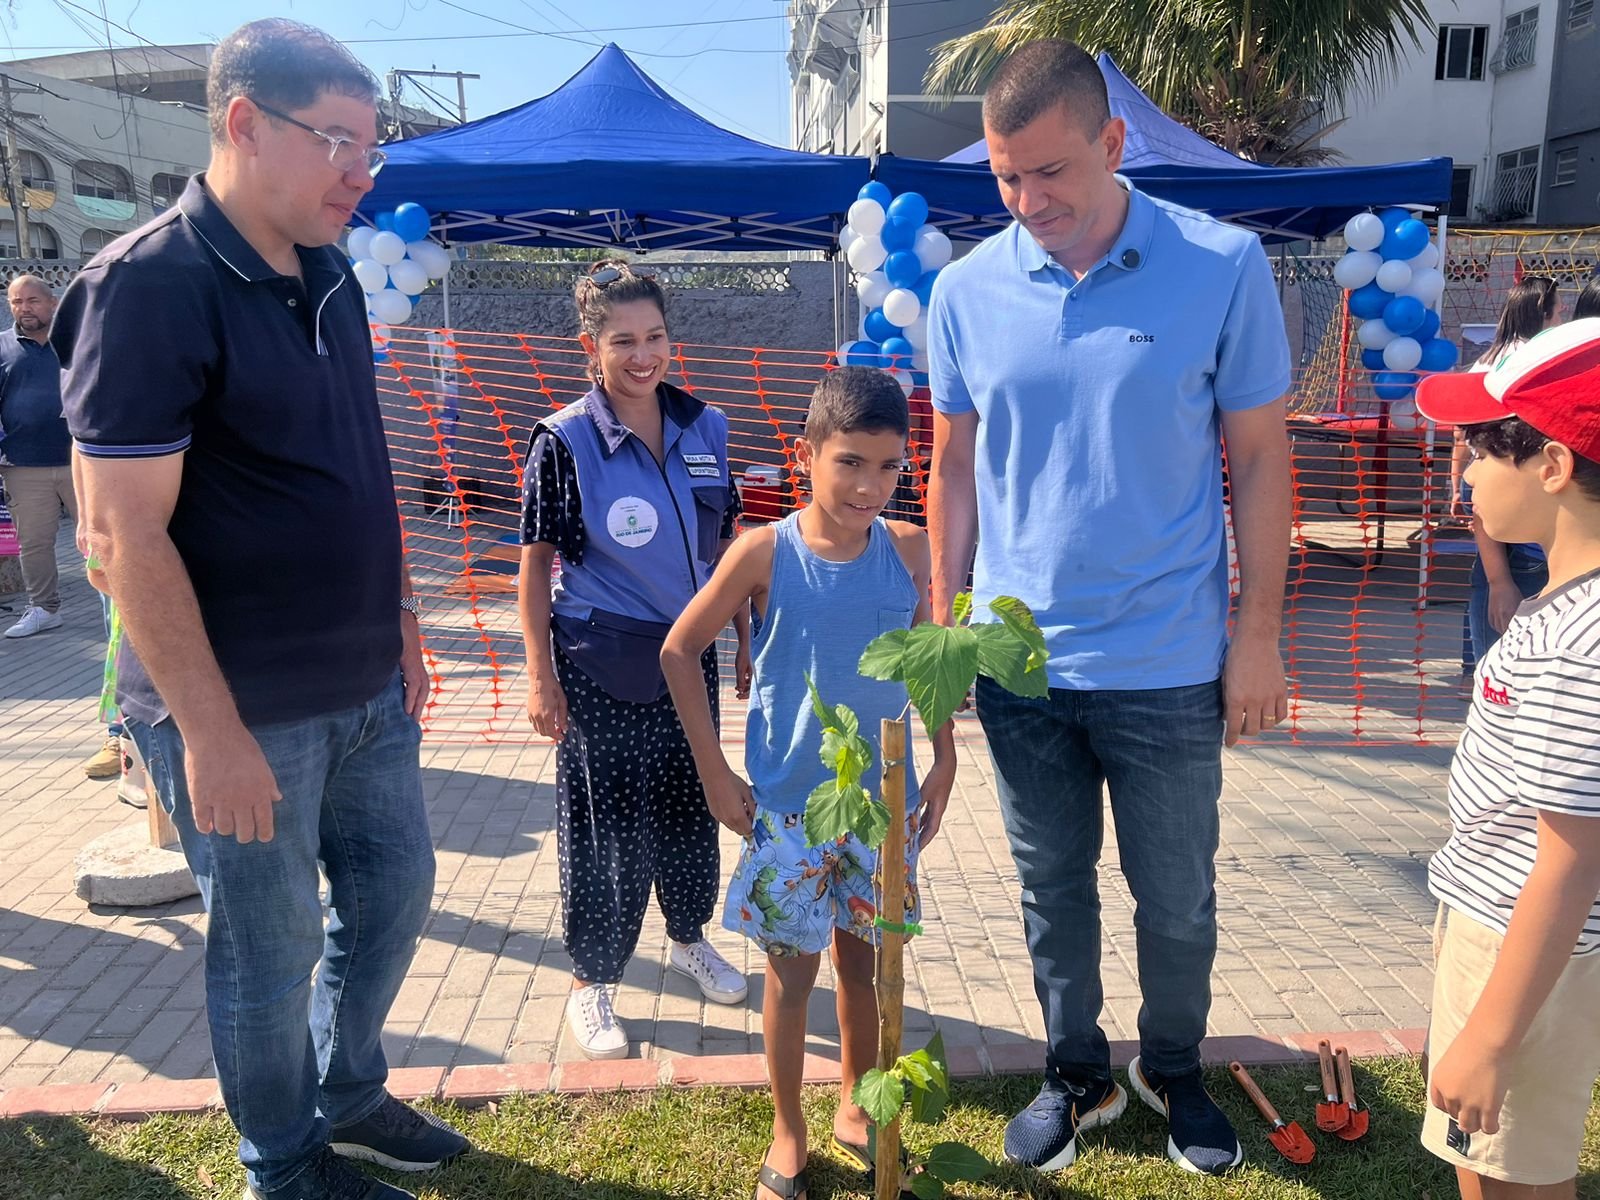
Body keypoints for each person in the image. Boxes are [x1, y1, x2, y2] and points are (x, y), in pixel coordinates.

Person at [52, 20, 466, 1200]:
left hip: (364, 690)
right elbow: (119, 536)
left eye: (371, 153)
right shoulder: (146, 288)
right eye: (340, 143)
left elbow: (351, 469)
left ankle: (350, 1093)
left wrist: (397, 622)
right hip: (241, 714)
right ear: (242, 124)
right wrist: (211, 732)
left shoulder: (330, 272)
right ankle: (282, 1163)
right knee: (267, 952)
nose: (360, 175)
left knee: (392, 900)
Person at [926, 40, 1292, 1176]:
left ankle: (1170, 1070)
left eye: (1048, 172)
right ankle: (1075, 1072)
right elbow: (949, 471)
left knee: (1175, 899)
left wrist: (1260, 639)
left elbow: (1262, 463)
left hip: (1170, 663)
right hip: (1018, 669)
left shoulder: (1220, 265)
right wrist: (946, 638)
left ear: (1114, 144)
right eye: (1004, 178)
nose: (1027, 201)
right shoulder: (963, 291)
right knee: (1049, 890)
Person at [660, 366, 956, 1200]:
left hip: (881, 810)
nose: (870, 485)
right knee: (792, 980)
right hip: (790, 809)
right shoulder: (765, 550)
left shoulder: (906, 550)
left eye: (890, 467)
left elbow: (929, 661)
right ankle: (789, 1133)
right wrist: (715, 769)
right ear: (806, 456)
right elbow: (680, 650)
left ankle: (856, 1110)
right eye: (850, 463)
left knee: (866, 972)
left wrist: (946, 753)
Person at [517, 259, 750, 1061]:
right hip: (600, 659)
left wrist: (745, 639)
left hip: (693, 658)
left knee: (693, 806)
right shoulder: (564, 440)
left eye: (654, 337)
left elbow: (727, 548)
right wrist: (541, 677)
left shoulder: (706, 426)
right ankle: (593, 981)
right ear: (592, 345)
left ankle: (690, 938)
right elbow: (533, 564)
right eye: (623, 341)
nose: (643, 355)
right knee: (605, 828)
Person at [1413, 317, 1600, 1200]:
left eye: (1482, 452)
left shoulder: (1575, 643)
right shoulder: (1564, 607)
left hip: (1523, 953)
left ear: (1554, 467)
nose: (1464, 476)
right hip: (1509, 933)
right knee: (1481, 1161)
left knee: (1510, 1177)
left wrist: (1492, 1033)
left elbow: (1570, 861)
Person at [1450, 277, 1559, 672]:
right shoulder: (1535, 362)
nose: (1560, 317)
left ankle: (1474, 662)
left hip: (1504, 511)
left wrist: (1457, 475)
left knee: (1489, 571)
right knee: (1496, 576)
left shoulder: (1488, 358)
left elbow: (1462, 432)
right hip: (1513, 511)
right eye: (1557, 311)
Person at [1, 275, 72, 641]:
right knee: (35, 542)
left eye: (32, 300)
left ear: (53, 302)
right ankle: (45, 609)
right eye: (16, 302)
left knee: (105, 537)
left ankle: (123, 610)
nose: (24, 309)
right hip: (24, 463)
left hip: (84, 461)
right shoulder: (2, 348)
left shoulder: (77, 339)